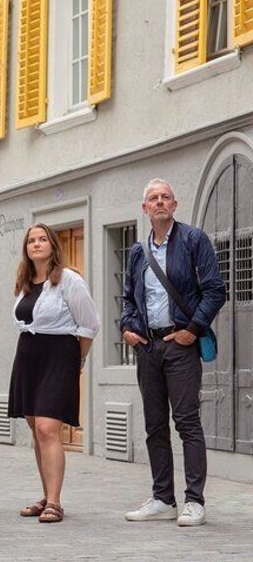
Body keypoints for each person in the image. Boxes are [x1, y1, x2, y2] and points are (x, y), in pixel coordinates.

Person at [121, 179, 225, 527]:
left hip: (181, 345)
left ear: (175, 205)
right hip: (148, 347)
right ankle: (163, 498)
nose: (160, 202)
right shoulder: (138, 251)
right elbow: (128, 297)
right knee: (154, 426)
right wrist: (128, 328)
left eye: (165, 197)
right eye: (153, 198)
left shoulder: (194, 240)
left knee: (187, 423)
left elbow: (215, 290)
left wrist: (192, 330)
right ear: (145, 208)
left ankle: (194, 501)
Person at [8, 223, 100, 524]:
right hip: (28, 356)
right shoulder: (26, 282)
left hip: (59, 355)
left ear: (53, 245)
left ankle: (56, 502)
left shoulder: (69, 279)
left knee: (48, 428)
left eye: (42, 239)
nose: (36, 244)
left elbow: (89, 324)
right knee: (36, 429)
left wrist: (78, 360)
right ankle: (46, 495)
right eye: (31, 240)